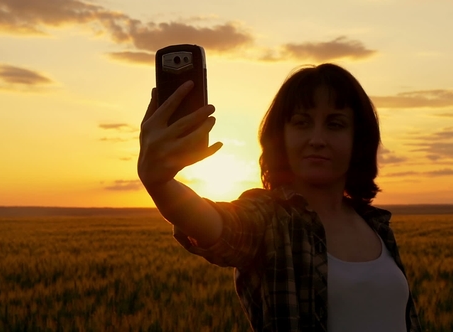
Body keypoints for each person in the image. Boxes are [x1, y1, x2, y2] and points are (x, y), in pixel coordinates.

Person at [137, 63, 423, 332]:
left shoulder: (377, 225)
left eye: (335, 124)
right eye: (301, 123)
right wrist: (160, 184)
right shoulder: (271, 219)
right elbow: (219, 226)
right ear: (280, 137)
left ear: (358, 138)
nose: (317, 138)